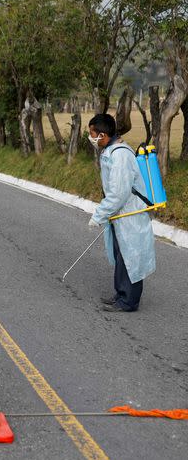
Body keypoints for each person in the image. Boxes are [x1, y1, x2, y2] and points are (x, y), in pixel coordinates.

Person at [88, 114, 156, 312]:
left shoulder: (120, 155)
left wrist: (98, 215)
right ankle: (121, 294)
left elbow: (119, 193)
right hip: (121, 215)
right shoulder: (111, 151)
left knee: (130, 257)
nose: (91, 138)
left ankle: (128, 302)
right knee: (121, 255)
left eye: (92, 134)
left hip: (130, 215)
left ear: (102, 135)